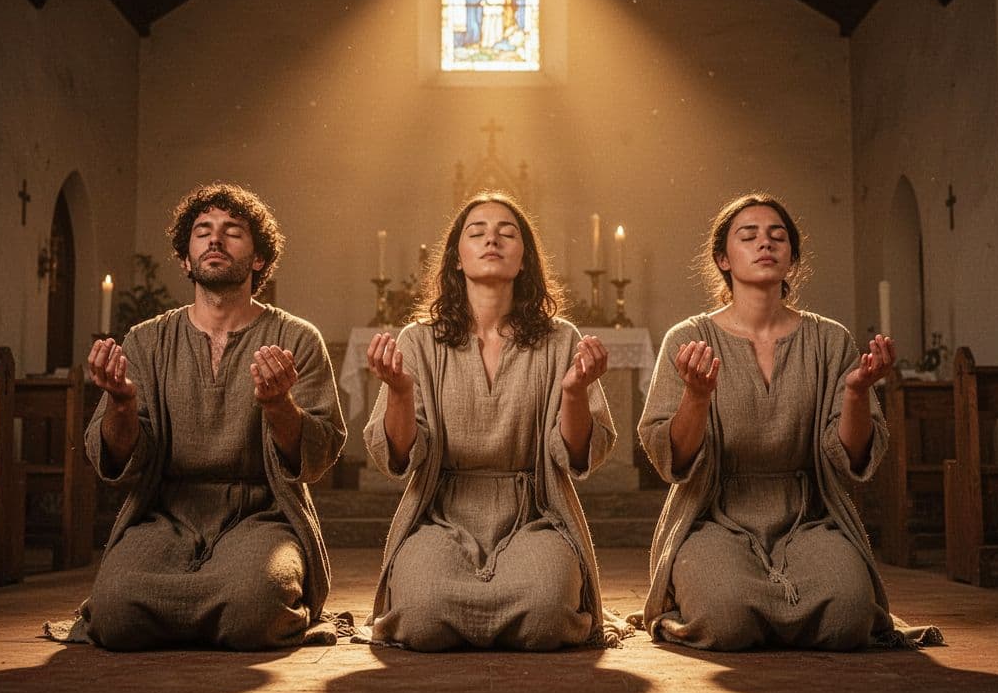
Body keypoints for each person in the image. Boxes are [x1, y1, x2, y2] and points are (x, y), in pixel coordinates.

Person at [44, 183, 347, 650]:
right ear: (186, 260)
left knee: (254, 607)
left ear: (259, 258)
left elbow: (318, 455)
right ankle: (207, 607)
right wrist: (121, 403)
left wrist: (278, 405)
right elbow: (117, 460)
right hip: (166, 515)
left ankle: (230, 602)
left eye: (233, 231)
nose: (215, 239)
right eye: (203, 231)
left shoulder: (297, 338)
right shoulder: (146, 341)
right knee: (114, 612)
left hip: (262, 516)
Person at [634, 192, 941, 650]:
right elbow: (671, 459)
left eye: (777, 236)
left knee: (849, 617)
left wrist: (857, 392)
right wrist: (696, 397)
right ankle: (705, 596)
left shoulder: (829, 339)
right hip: (712, 515)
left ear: (792, 258)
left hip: (808, 516)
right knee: (726, 620)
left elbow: (851, 456)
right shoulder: (689, 338)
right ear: (722, 258)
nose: (766, 243)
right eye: (749, 235)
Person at [359, 191, 630, 651]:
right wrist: (400, 393)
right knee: (421, 616)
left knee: (547, 614)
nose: (492, 240)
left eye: (507, 232)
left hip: (536, 512)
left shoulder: (560, 339)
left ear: (525, 260)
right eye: (477, 232)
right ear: (456, 258)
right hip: (440, 513)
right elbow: (400, 458)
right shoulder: (419, 341)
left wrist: (574, 392)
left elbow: (577, 455)